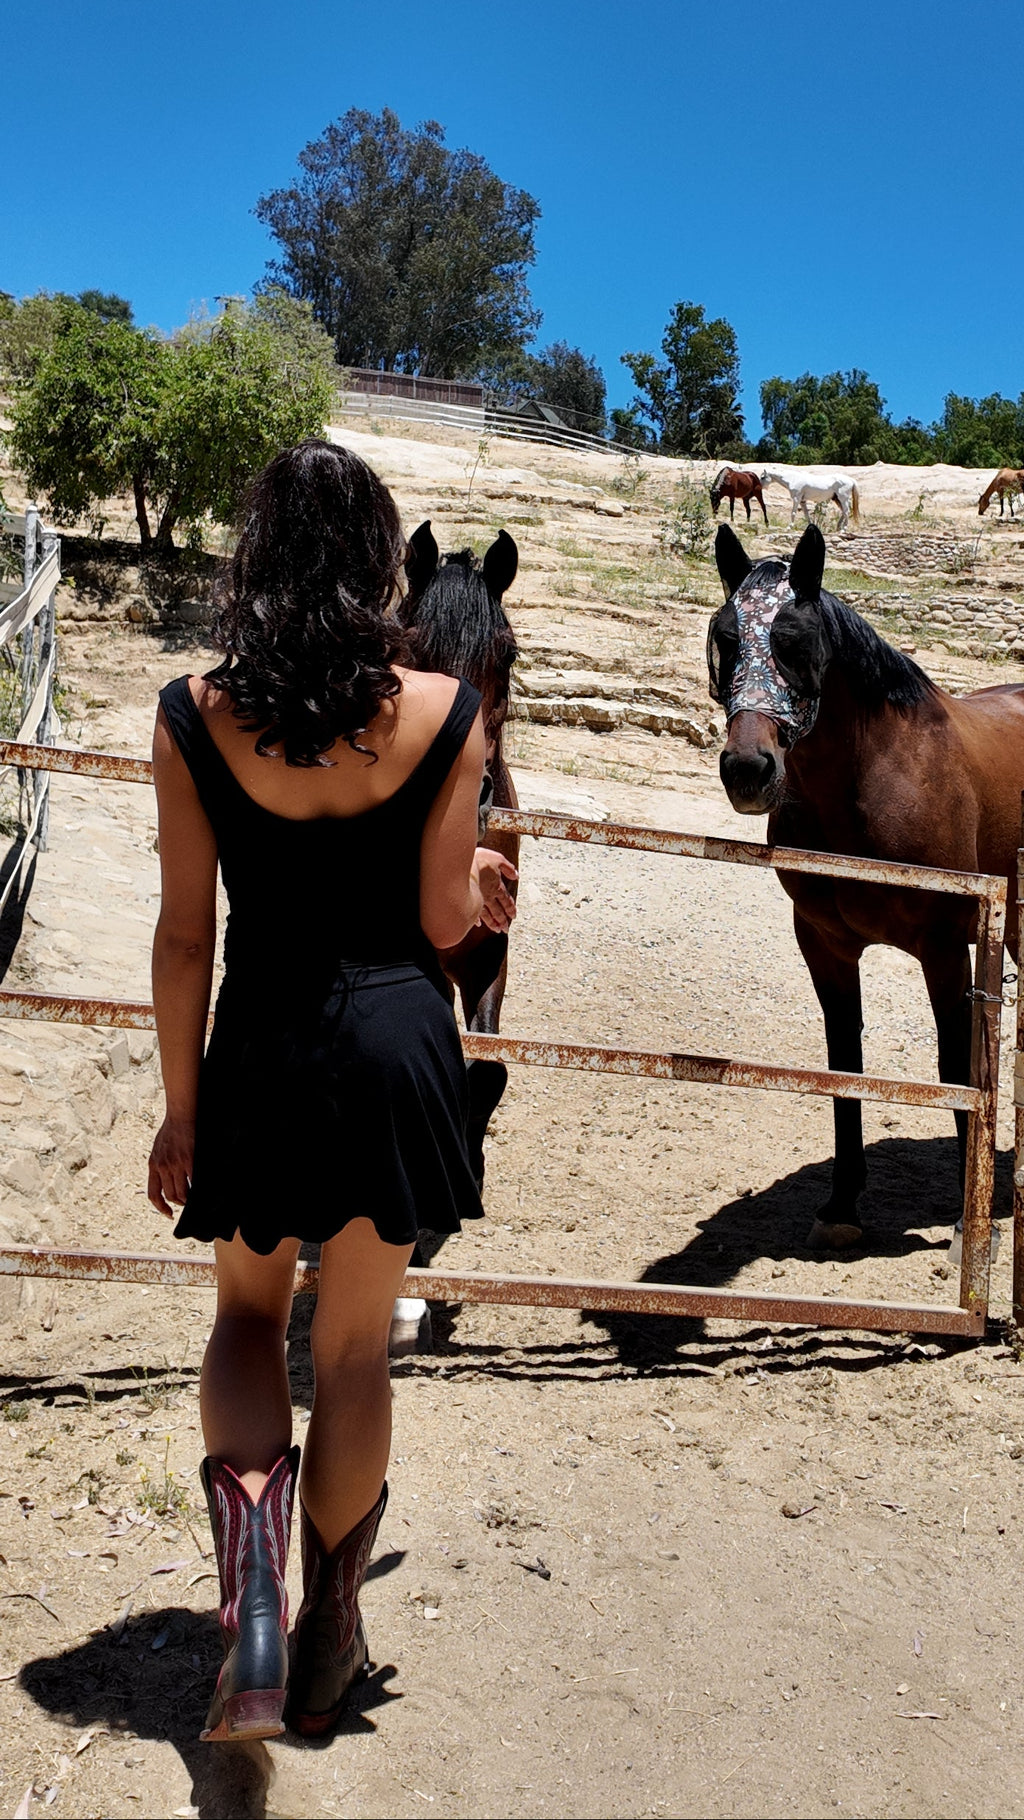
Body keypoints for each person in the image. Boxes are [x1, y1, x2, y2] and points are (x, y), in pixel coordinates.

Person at [147, 439, 517, 1744]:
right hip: (399, 1040)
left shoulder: (194, 712)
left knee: (250, 1320)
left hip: (261, 1040)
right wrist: (481, 890)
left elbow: (186, 932)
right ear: (377, 563)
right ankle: (327, 1642)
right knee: (354, 1348)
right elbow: (439, 915)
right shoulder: (445, 712)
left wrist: (181, 1108)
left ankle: (247, 1611)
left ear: (256, 555)